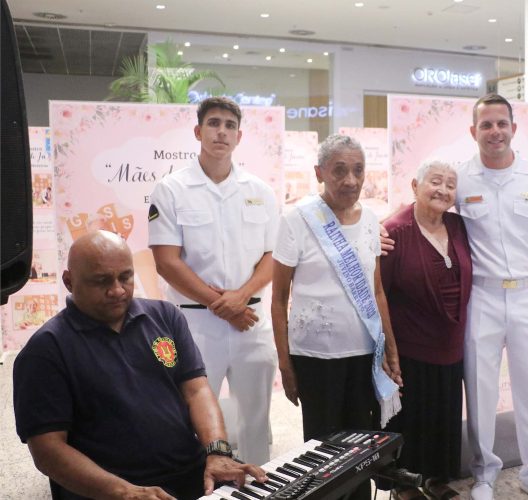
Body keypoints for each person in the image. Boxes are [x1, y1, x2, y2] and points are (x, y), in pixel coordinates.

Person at [13, 231, 266, 500]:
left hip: (192, 473)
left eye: (125, 277)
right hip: (110, 491)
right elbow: (47, 451)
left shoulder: (165, 316)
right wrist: (124, 492)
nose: (118, 290)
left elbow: (197, 391)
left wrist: (217, 452)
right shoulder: (45, 351)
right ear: (69, 281)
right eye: (101, 281)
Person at [452, 93, 528, 500]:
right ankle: (484, 474)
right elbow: (428, 217)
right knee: (481, 389)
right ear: (474, 132)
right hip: (481, 299)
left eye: (501, 123)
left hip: (525, 295)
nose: (494, 132)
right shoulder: (460, 179)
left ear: (513, 129)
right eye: (486, 125)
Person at [149, 96, 279, 465]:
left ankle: (257, 485)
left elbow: (273, 257)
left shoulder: (260, 191)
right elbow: (166, 262)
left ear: (239, 136)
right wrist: (222, 305)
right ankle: (195, 484)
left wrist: (241, 298)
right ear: (198, 131)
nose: (222, 131)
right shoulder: (172, 189)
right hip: (194, 326)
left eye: (229, 125)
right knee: (192, 416)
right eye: (214, 123)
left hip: (251, 323)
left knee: (255, 420)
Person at [271, 134, 402, 500]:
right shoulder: (297, 219)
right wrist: (285, 364)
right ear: (320, 173)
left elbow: (376, 291)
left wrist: (391, 349)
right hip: (315, 359)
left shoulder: (371, 219)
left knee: (361, 449)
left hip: (363, 357)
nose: (350, 180)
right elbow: (279, 299)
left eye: (358, 170)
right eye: (339, 170)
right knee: (323, 452)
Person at [380, 159, 472, 500]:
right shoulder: (395, 231)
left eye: (450, 184)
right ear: (415, 186)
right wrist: (387, 351)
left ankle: (435, 477)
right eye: (436, 181)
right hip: (409, 346)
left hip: (451, 344)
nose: (443, 190)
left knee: (445, 411)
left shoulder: (458, 226)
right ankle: (404, 485)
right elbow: (380, 296)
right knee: (412, 415)